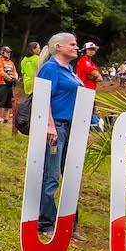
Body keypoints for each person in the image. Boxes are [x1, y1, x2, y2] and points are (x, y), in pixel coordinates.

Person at [36, 32, 84, 231]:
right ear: (59, 47)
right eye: (72, 44)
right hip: (58, 126)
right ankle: (46, 221)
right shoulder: (50, 68)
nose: (76, 47)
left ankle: (69, 224)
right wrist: (49, 125)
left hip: (74, 127)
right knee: (52, 174)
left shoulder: (70, 70)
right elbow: (43, 97)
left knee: (71, 174)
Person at [0, 45, 18, 124]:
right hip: (1, 83)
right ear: (2, 52)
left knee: (9, 103)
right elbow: (1, 72)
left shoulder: (11, 62)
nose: (9, 54)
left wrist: (15, 79)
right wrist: (10, 79)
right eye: (7, 52)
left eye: (10, 52)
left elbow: (15, 72)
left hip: (9, 85)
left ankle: (6, 119)